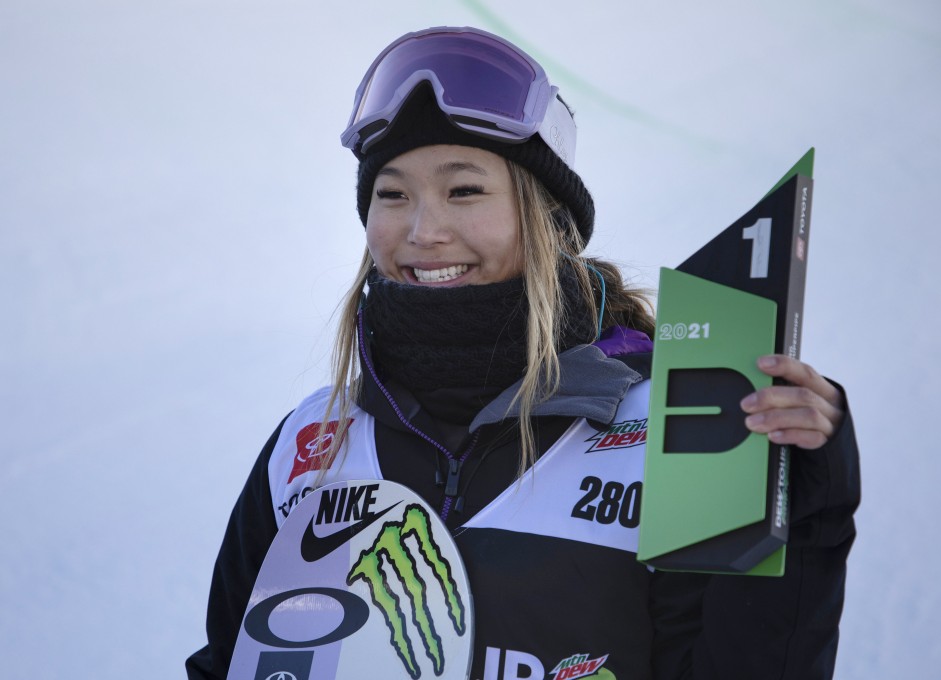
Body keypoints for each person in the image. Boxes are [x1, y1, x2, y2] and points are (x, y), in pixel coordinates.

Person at [186, 26, 860, 680]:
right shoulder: (313, 440)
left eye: (465, 190)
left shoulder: (675, 422)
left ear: (547, 222)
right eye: (392, 194)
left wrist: (803, 505)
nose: (423, 230)